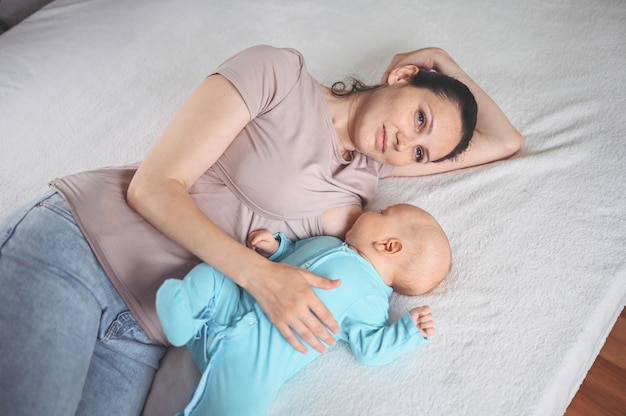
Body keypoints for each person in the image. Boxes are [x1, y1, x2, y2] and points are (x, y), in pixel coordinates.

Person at [0, 44, 523, 415]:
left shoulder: (370, 174)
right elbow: (153, 186)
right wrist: (262, 277)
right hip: (81, 250)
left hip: (147, 333)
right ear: (402, 78)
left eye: (419, 151)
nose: (405, 142)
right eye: (421, 119)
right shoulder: (279, 75)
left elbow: (504, 141)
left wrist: (447, 66)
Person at [156, 203, 448, 416]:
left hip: (258, 362)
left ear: (390, 245)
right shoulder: (329, 241)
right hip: (236, 304)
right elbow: (292, 255)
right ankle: (179, 317)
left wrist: (408, 331)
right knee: (212, 276)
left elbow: (370, 348)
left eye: (383, 212)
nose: (373, 209)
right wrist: (275, 248)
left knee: (238, 408)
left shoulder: (371, 299)